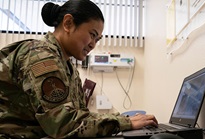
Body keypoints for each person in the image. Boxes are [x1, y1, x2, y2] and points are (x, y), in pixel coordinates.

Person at [0, 0, 158, 138]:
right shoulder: (40, 55)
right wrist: (125, 122)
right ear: (68, 23)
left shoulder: (69, 68)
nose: (93, 44)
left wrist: (121, 119)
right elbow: (61, 124)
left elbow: (79, 116)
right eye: (92, 34)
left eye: (97, 39)